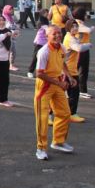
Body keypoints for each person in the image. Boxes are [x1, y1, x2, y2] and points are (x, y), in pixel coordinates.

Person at [34, 26, 76, 160]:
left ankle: (58, 141)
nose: (57, 36)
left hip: (57, 82)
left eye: (59, 33)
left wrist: (69, 76)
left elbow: (63, 63)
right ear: (47, 36)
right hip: (45, 86)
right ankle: (40, 148)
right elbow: (39, 74)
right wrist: (59, 83)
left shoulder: (62, 48)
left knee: (65, 113)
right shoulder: (43, 52)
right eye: (54, 34)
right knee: (43, 118)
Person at [63, 20, 91, 123]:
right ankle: (71, 114)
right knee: (71, 94)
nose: (75, 28)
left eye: (76, 26)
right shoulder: (70, 38)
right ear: (68, 28)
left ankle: (70, 113)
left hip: (71, 70)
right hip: (68, 71)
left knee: (69, 94)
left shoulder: (71, 37)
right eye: (73, 27)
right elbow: (78, 48)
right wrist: (88, 45)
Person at [72, 7, 95, 99]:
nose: (86, 16)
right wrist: (92, 27)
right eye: (85, 14)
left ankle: (82, 90)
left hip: (85, 49)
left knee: (84, 71)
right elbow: (89, 30)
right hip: (79, 49)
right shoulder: (76, 23)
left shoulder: (81, 23)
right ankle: (68, 87)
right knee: (75, 70)